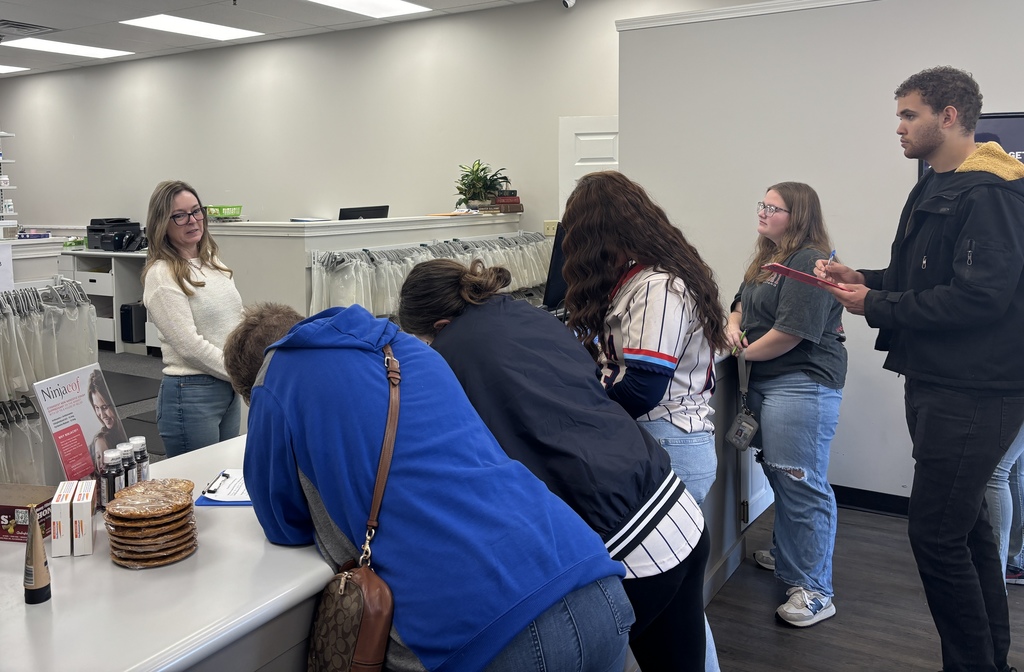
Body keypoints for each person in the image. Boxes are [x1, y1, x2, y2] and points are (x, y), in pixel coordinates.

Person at [223, 302, 634, 672]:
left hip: (479, 628)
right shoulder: (405, 345)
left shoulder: (275, 378)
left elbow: (282, 524)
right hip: (585, 574)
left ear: (249, 385)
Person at [399, 258, 711, 672]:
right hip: (673, 504)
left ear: (437, 326)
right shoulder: (524, 313)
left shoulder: (452, 354)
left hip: (627, 540)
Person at [816, 66, 1024, 672]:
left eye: (909, 115)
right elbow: (920, 282)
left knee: (935, 536)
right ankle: (988, 661)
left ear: (950, 115)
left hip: (975, 391)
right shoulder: (935, 186)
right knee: (967, 531)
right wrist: (865, 281)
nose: (900, 128)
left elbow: (980, 297)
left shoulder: (991, 193)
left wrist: (875, 304)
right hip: (936, 381)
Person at [559, 170, 727, 506]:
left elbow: (642, 388)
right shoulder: (638, 279)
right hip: (656, 438)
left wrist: (581, 413)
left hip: (667, 441)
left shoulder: (658, 286)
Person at [725, 182, 846, 627]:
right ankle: (790, 557)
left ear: (797, 215)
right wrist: (734, 324)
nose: (762, 211)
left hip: (802, 382)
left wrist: (739, 352)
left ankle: (814, 589)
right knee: (781, 477)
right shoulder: (767, 258)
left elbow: (791, 333)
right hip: (768, 379)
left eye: (771, 207)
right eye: (761, 204)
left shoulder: (810, 260)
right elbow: (740, 300)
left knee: (801, 481)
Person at [141, 180, 243, 457]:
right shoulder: (162, 274)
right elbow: (189, 346)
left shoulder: (213, 263)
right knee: (197, 487)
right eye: (180, 215)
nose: (193, 220)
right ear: (162, 222)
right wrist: (240, 372)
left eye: (197, 211)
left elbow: (236, 320)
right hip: (192, 392)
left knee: (223, 477)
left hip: (228, 387)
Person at [88, 369, 127, 475]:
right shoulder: (98, 441)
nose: (101, 415)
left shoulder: (125, 430)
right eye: (96, 407)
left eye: (104, 407)